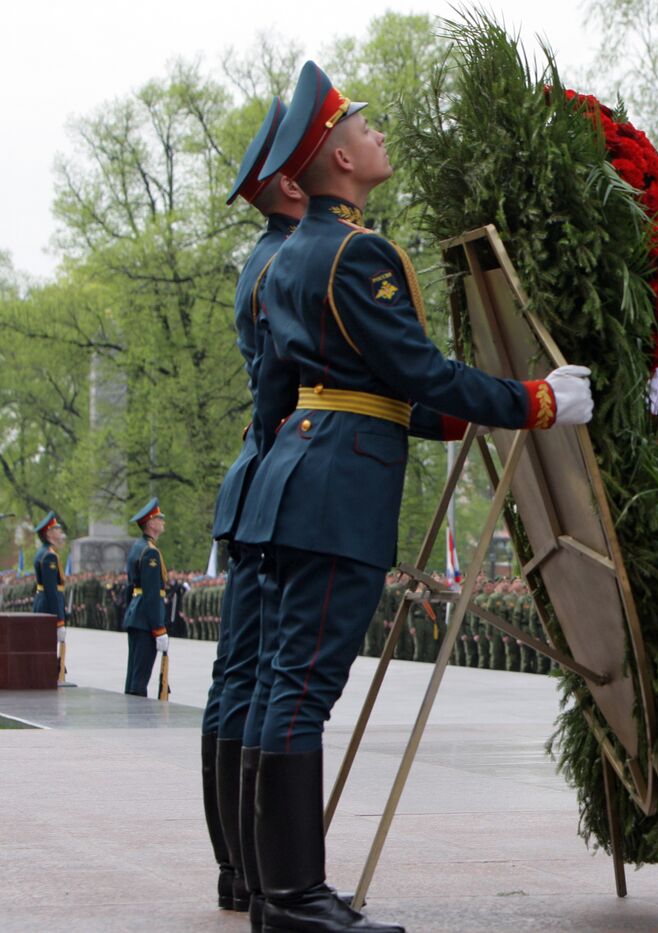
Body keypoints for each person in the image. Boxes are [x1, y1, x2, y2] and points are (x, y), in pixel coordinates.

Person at [235, 61, 594, 933]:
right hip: (337, 493)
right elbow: (418, 369)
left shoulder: (289, 256)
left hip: (296, 480)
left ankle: (271, 887)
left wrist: (426, 423)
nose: (377, 132)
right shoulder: (358, 253)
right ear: (340, 161)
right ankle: (292, 898)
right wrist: (535, 401)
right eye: (363, 126)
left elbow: (289, 393)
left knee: (282, 685)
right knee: (303, 690)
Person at [200, 96, 309, 924]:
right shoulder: (282, 264)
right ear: (284, 182)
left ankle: (239, 869)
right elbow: (281, 381)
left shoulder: (266, 258)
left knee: (238, 680)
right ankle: (250, 868)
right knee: (253, 680)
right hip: (274, 469)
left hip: (253, 473)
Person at [122, 499, 170, 697]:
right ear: (151, 523)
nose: (163, 522)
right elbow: (151, 594)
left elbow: (129, 588)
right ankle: (136, 720)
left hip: (137, 615)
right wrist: (159, 629)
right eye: (159, 518)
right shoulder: (150, 552)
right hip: (145, 620)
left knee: (134, 673)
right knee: (140, 677)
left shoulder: (138, 547)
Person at [32, 512, 67, 651]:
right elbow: (51, 590)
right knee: (47, 651)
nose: (60, 531)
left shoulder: (43, 552)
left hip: (43, 603)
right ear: (49, 533)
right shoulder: (49, 556)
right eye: (56, 528)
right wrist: (59, 622)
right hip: (48, 606)